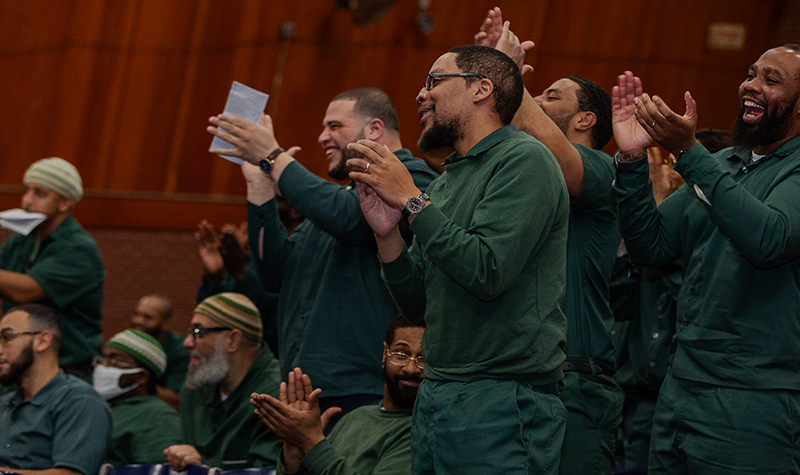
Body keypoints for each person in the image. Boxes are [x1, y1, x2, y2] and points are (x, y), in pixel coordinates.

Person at [346, 45, 570, 474]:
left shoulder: (525, 160)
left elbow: (487, 271)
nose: (420, 94)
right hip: (439, 394)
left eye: (434, 81)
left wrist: (412, 200)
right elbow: (418, 308)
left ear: (481, 89)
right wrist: (387, 233)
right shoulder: (449, 181)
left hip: (501, 400)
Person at [611, 44, 800, 473]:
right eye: (751, 74)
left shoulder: (777, 169)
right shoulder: (725, 163)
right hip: (680, 388)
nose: (751, 85)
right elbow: (650, 247)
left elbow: (769, 239)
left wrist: (690, 153)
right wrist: (632, 158)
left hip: (754, 400)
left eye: (771, 80)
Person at [205, 87, 439, 423]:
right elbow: (274, 273)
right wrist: (260, 183)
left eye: (334, 126)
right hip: (304, 393)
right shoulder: (338, 200)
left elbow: (348, 219)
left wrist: (274, 156)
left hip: (366, 394)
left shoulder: (413, 179)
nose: (322, 137)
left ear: (374, 129)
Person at [475, 10, 622, 473]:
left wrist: (507, 80)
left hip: (576, 382)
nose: (536, 98)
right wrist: (485, 71)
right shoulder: (519, 173)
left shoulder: (603, 170)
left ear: (585, 118)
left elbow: (559, 162)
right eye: (534, 92)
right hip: (515, 381)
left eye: (550, 95)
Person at [252, 314, 424, 475]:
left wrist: (311, 442)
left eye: (424, 359)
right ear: (384, 354)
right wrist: (294, 449)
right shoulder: (355, 418)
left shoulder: (420, 431)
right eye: (401, 355)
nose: (411, 368)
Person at [0, 158, 105, 378]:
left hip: (66, 373)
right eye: (26, 190)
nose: (27, 200)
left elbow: (27, 291)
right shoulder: (20, 241)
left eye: (39, 193)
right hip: (20, 367)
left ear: (65, 203)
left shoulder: (79, 249)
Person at [164, 292, 282, 471]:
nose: (187, 342)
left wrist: (203, 468)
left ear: (233, 340)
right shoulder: (194, 389)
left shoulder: (277, 396)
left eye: (198, 332)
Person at [0, 303, 111, 475]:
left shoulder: (79, 401)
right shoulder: (5, 404)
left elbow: (71, 474)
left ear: (42, 341)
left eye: (7, 337)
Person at [94, 329, 182, 466]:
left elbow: (158, 470)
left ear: (141, 377)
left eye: (114, 360)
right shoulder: (97, 405)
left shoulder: (158, 417)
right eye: (103, 359)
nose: (103, 367)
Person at [195, 220, 281, 358]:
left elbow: (271, 321)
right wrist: (215, 279)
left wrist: (243, 273)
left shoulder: (276, 265)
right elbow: (208, 319)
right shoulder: (230, 273)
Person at [129, 294, 189, 408]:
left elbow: (176, 400)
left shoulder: (181, 350)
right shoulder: (128, 342)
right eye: (136, 314)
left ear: (165, 322)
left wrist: (137, 380)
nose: (138, 321)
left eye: (148, 317)